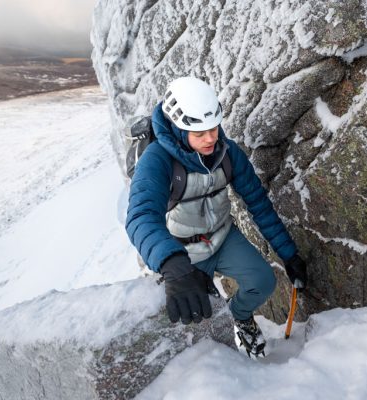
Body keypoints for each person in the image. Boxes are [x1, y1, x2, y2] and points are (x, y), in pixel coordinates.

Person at [125, 76, 307, 357]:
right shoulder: (157, 160)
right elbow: (141, 217)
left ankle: (241, 317)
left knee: (263, 282)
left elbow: (257, 203)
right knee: (203, 321)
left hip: (222, 237)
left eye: (213, 128)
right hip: (183, 252)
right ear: (178, 128)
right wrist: (173, 264)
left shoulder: (227, 152)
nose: (211, 138)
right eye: (200, 133)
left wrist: (289, 254)